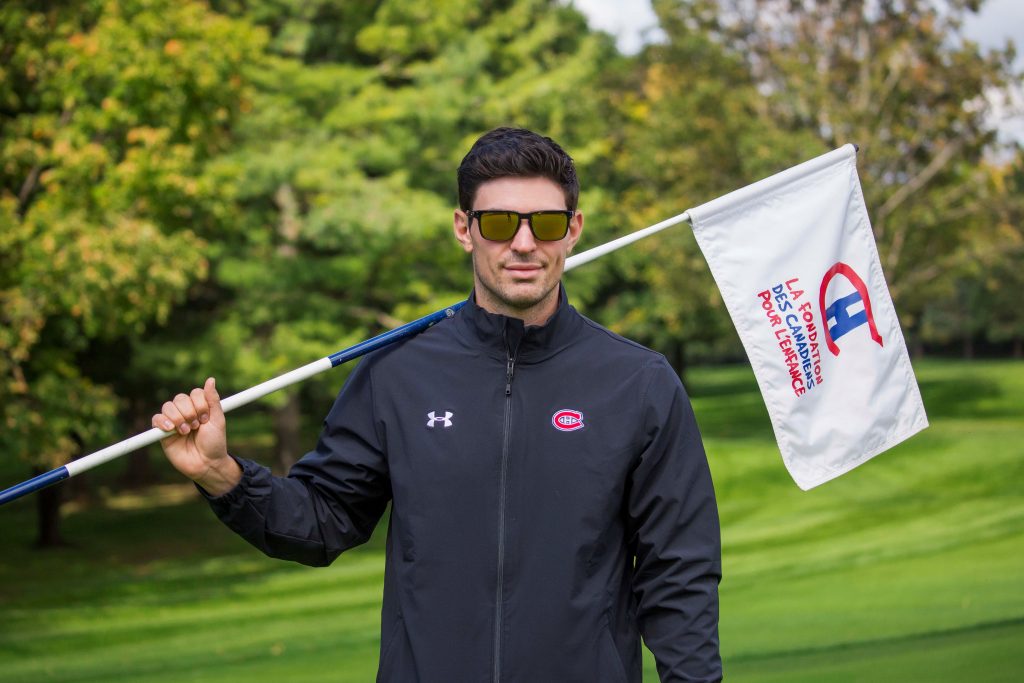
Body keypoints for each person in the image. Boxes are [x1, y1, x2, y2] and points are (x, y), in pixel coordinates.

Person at [153, 127, 722, 682]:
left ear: (573, 230)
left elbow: (680, 572)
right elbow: (324, 521)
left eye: (544, 223)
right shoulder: (397, 373)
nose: (523, 243)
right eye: (499, 223)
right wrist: (221, 475)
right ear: (464, 228)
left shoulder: (638, 382)